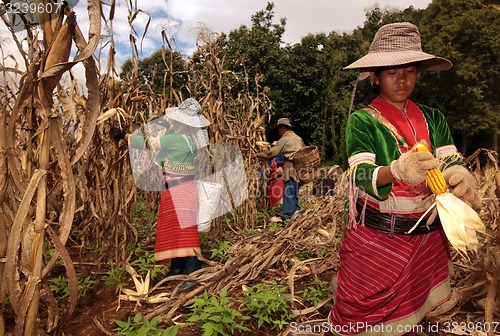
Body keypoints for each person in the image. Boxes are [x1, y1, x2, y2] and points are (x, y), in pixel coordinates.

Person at [326, 22, 481, 336]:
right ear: (376, 76)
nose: (401, 79)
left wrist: (458, 175)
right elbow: (359, 174)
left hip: (425, 238)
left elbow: (450, 159)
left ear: (419, 73)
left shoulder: (433, 118)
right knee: (356, 318)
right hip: (379, 240)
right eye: (392, 71)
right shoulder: (362, 121)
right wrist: (395, 171)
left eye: (410, 70)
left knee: (411, 317)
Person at [111, 98, 211, 292]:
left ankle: (193, 273)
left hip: (179, 190)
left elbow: (147, 143)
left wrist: (124, 135)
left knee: (186, 232)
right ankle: (177, 268)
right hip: (181, 189)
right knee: (176, 229)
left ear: (182, 122)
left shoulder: (176, 139)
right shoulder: (187, 138)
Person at [252, 118, 304, 219]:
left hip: (291, 167)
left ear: (282, 128)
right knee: (294, 190)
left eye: (279, 130)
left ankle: (288, 213)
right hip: (299, 167)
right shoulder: (298, 138)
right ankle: (296, 211)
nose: (279, 133)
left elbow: (272, 153)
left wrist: (258, 155)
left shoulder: (285, 138)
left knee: (289, 189)